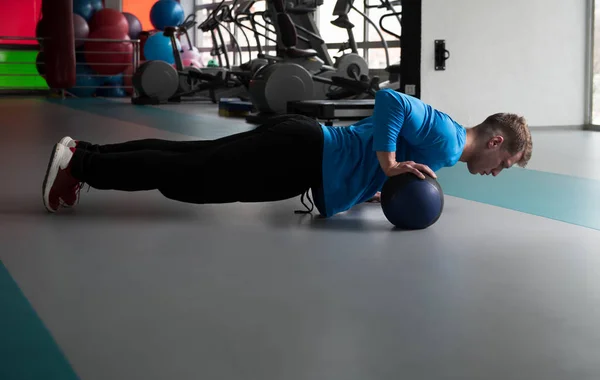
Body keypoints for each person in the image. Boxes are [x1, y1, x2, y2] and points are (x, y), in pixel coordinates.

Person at [42, 89, 532, 216]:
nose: (496, 172)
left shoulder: (443, 150)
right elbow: (391, 101)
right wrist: (386, 165)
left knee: (188, 159)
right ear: (494, 142)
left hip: (305, 151)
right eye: (504, 163)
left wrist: (373, 185)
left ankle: (85, 154)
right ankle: (80, 165)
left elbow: (378, 133)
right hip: (303, 153)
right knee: (190, 174)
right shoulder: (449, 138)